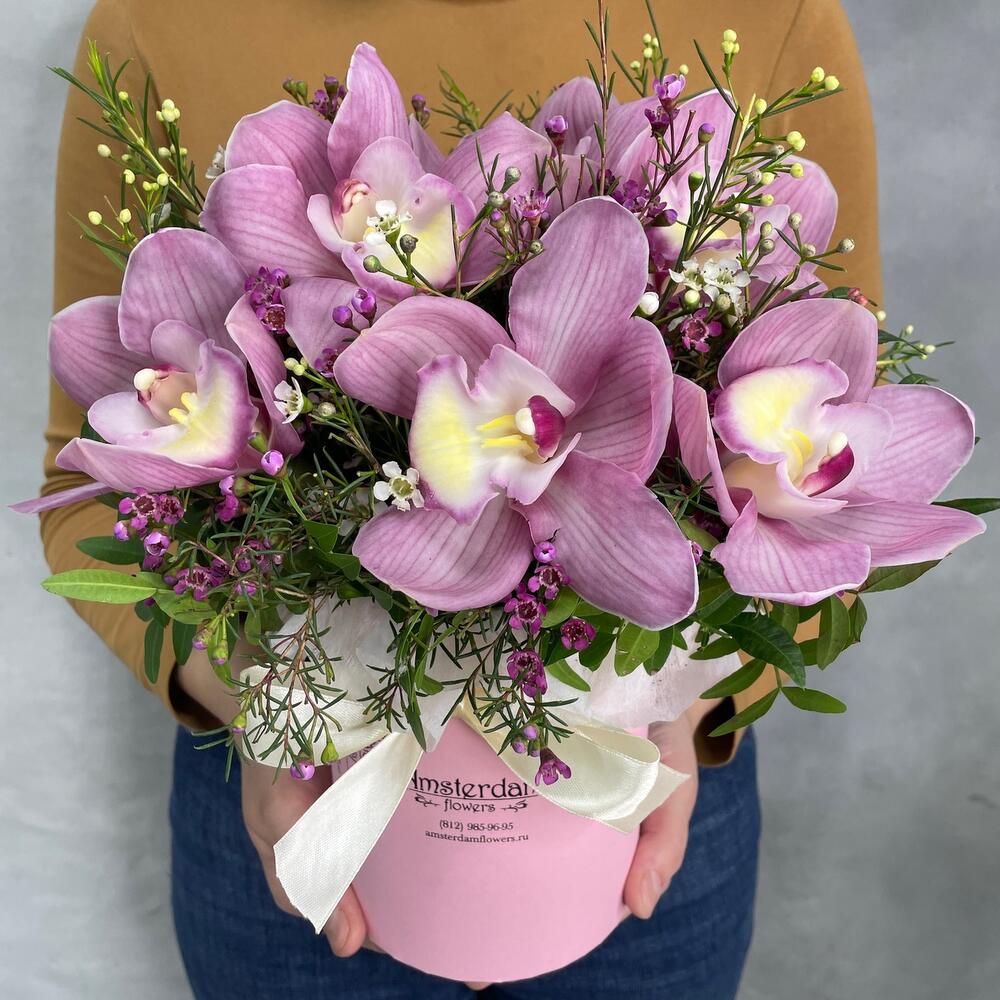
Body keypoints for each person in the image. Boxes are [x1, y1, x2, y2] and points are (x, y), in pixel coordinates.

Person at [40, 1, 881, 996]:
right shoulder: (159, 18)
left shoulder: (774, 14)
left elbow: (852, 430)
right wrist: (270, 714)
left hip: (644, 796)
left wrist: (685, 706)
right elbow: (82, 489)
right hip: (301, 799)